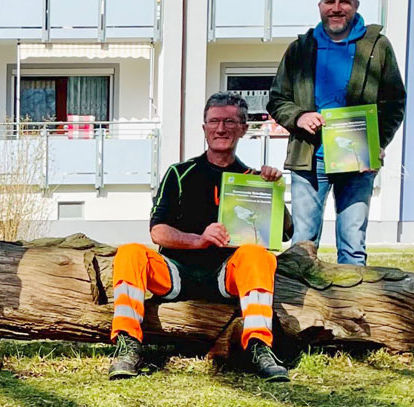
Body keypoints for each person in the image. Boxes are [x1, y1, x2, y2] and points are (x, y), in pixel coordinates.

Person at [108, 92, 290, 382]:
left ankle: (259, 346)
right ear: (203, 128)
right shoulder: (179, 173)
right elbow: (157, 231)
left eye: (230, 122)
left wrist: (273, 190)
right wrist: (198, 240)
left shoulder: (254, 179)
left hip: (225, 277)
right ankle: (127, 345)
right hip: (175, 274)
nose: (221, 129)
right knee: (130, 252)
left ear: (243, 128)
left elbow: (282, 233)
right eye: (214, 121)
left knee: (258, 255)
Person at [267, 0, 405, 266]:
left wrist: (377, 142)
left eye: (345, 1)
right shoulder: (300, 48)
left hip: (357, 157)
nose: (337, 8)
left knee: (353, 245)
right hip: (309, 156)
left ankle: (352, 308)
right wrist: (299, 116)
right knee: (302, 243)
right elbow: (277, 99)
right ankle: (301, 307)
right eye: (330, 1)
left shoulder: (377, 47)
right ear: (320, 5)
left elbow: (395, 102)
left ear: (356, 5)